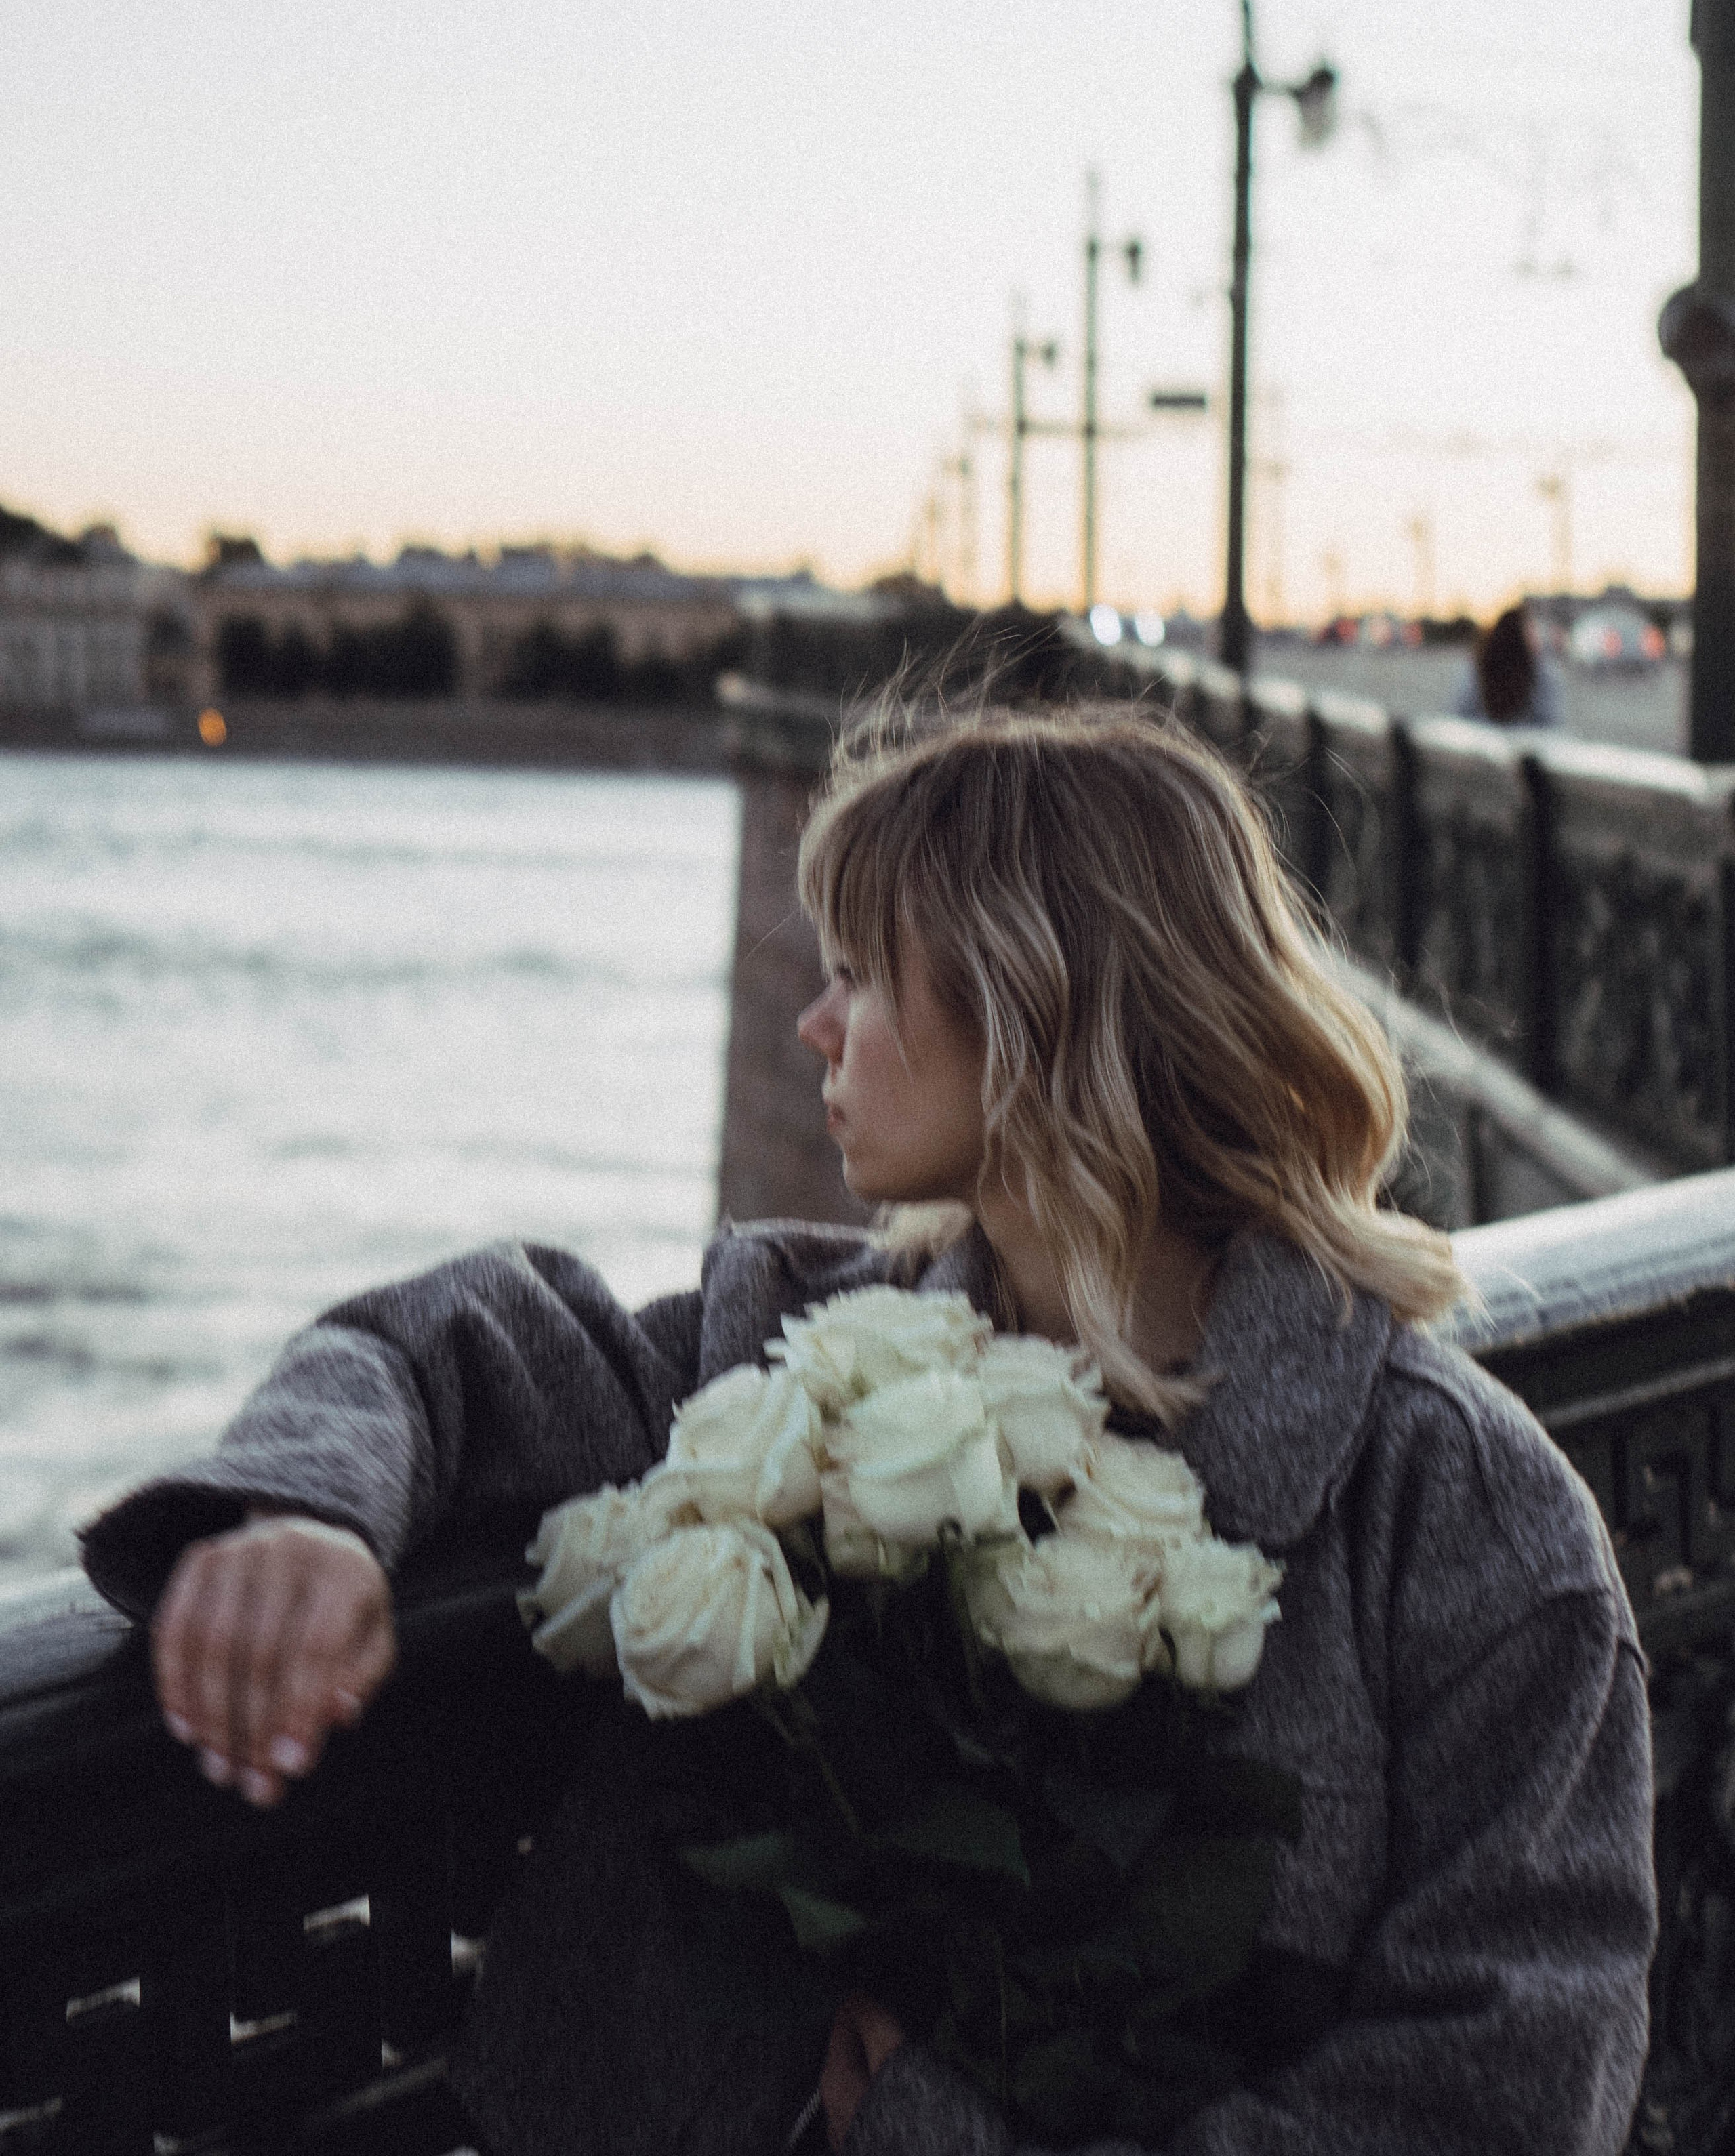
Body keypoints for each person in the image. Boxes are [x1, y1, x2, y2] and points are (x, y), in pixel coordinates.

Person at [80, 701, 1656, 2156]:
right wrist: (308, 1512)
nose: (812, 1029)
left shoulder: (1453, 1510)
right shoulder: (790, 1332)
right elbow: (440, 1346)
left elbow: (1505, 2089)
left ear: (1034, 1002)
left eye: (860, 972)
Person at [1450, 604, 1566, 728]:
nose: (1536, 636)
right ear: (1521, 638)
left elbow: (1460, 717)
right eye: (1531, 630)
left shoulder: (1477, 667)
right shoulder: (1543, 673)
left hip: (1482, 741)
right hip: (1523, 744)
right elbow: (1549, 723)